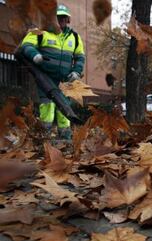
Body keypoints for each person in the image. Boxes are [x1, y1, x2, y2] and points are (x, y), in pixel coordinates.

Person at [19, 4, 85, 140]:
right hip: (45, 78)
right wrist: (34, 55)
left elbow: (80, 57)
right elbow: (26, 45)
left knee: (64, 107)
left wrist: (76, 72)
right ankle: (44, 136)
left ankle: (65, 135)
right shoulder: (41, 32)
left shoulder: (75, 38)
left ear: (68, 20)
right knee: (47, 106)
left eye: (63, 18)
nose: (60, 21)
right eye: (58, 17)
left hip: (65, 80)